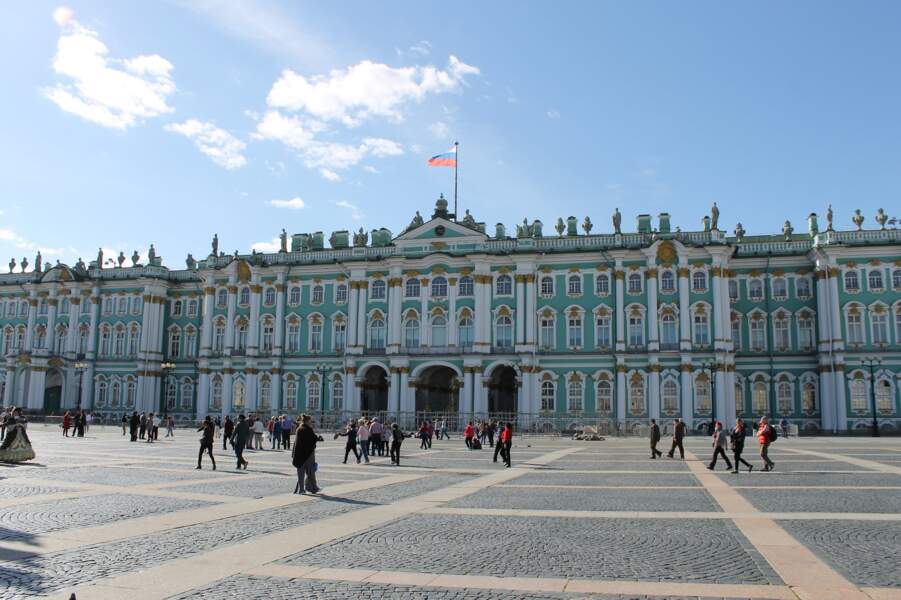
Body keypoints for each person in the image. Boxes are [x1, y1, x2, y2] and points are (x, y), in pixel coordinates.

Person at [292, 414, 323, 494]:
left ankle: (301, 490)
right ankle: (314, 488)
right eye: (310, 421)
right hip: (308, 454)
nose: (311, 423)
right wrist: (318, 438)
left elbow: (296, 442)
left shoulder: (299, 429)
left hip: (299, 454)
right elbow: (313, 440)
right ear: (307, 421)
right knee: (311, 472)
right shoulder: (308, 429)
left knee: (300, 473)